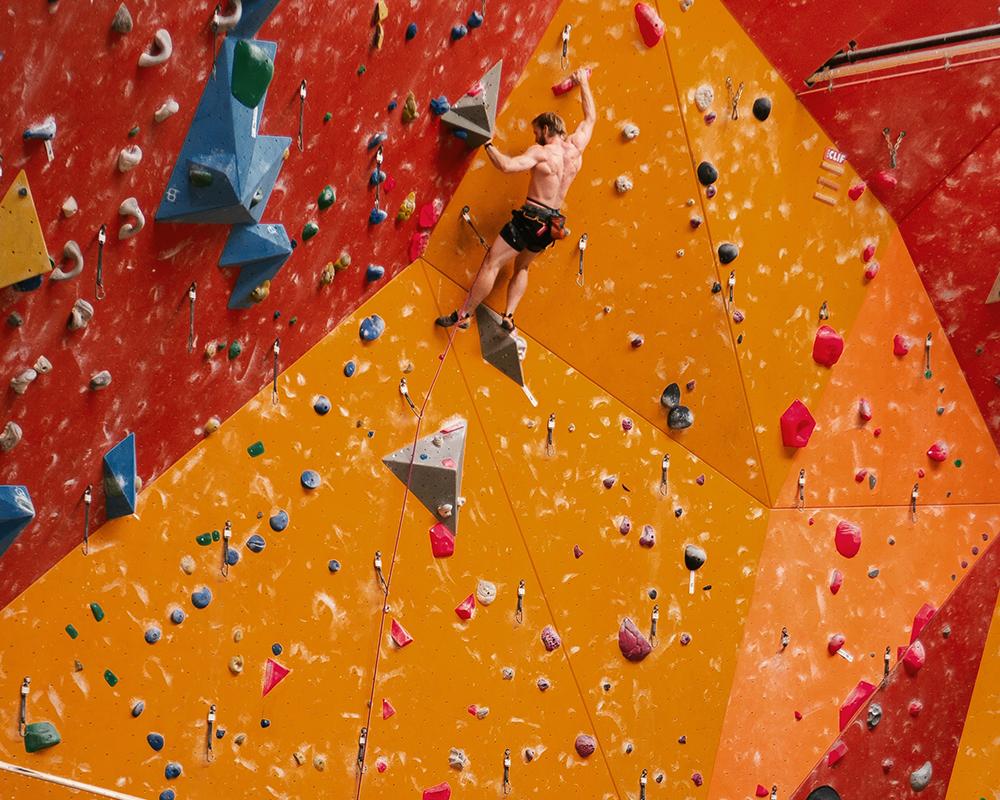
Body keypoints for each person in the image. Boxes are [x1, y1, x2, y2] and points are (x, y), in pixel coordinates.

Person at [436, 68, 596, 334]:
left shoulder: (542, 153)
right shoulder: (576, 149)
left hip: (530, 218)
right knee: (522, 267)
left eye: (536, 133)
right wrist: (583, 83)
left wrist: (487, 144)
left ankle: (464, 314)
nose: (535, 138)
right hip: (551, 225)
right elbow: (590, 118)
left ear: (546, 129)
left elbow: (507, 166)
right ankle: (509, 316)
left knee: (492, 262)